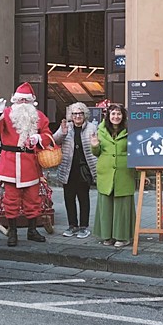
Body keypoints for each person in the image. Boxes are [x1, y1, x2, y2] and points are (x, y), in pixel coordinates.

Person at [0, 82, 55, 246]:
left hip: (31, 164)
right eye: (20, 100)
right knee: (10, 200)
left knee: (33, 199)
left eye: (26, 100)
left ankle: (32, 230)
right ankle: (13, 232)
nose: (23, 103)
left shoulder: (39, 116)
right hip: (10, 162)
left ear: (32, 101)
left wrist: (39, 138)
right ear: (15, 100)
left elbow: (48, 135)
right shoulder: (6, 114)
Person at [90, 103, 136, 248]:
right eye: (113, 114)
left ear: (123, 116)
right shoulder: (100, 130)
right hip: (106, 172)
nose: (116, 116)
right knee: (106, 205)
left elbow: (136, 151)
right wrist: (94, 145)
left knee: (122, 206)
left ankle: (122, 237)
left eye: (119, 114)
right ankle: (107, 236)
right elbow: (96, 153)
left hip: (124, 173)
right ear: (108, 116)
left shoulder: (131, 131)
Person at [52, 102, 98, 239]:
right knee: (69, 198)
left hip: (84, 168)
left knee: (84, 198)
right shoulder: (67, 127)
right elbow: (54, 141)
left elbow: (97, 145)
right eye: (74, 114)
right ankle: (72, 225)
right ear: (71, 116)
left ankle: (84, 226)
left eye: (80, 113)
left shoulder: (92, 127)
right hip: (68, 168)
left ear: (85, 114)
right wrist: (62, 132)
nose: (77, 116)